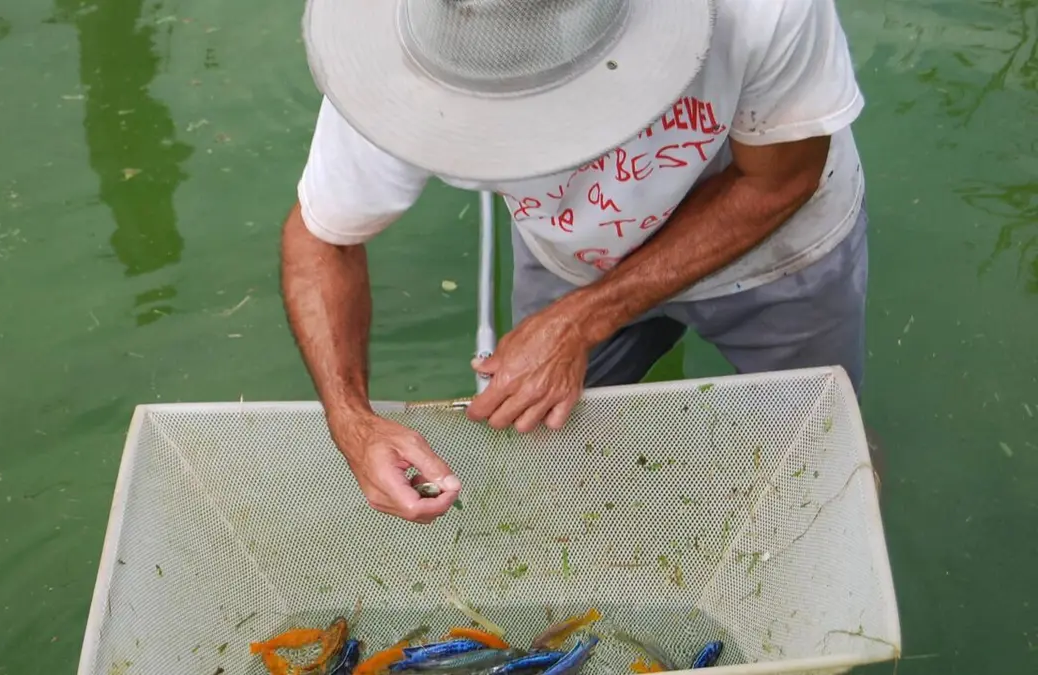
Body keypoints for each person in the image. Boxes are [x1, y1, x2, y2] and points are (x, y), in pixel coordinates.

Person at [280, 0, 870, 524]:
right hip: (570, 253)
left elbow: (778, 181)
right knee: (543, 468)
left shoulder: (764, 9)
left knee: (818, 457)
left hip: (775, 252)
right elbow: (322, 239)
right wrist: (351, 420)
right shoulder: (384, 51)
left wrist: (579, 322)